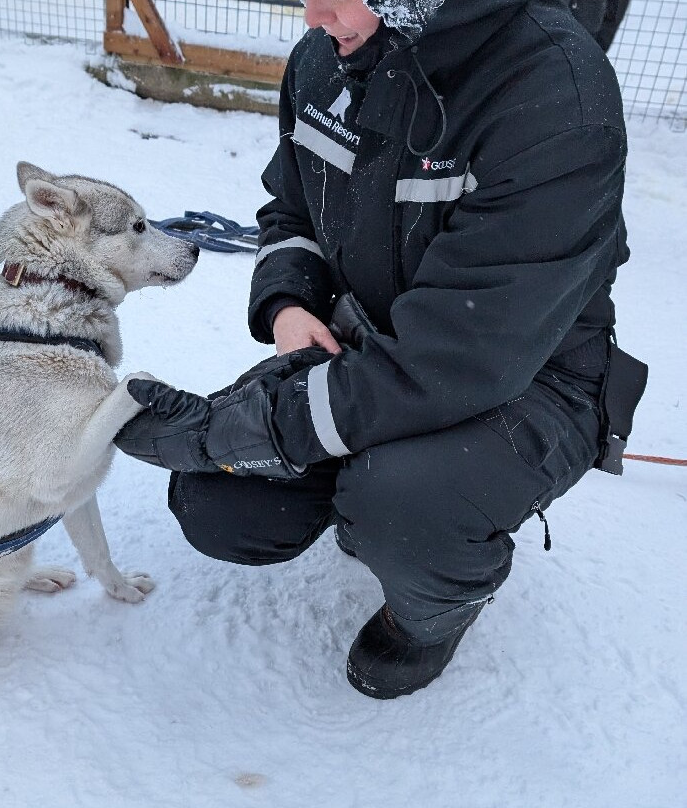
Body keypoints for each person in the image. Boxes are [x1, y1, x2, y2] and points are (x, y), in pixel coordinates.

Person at [114, 0, 646, 699]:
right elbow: (290, 209)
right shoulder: (327, 56)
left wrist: (240, 424)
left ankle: (433, 609)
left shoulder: (557, 98)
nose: (313, 14)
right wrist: (290, 302)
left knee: (399, 500)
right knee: (224, 502)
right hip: (366, 336)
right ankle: (364, 492)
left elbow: (458, 356)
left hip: (533, 376)